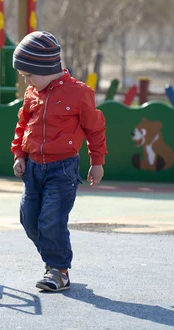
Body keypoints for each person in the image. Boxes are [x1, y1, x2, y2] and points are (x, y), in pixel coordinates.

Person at [11, 31, 107, 292]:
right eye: (24, 77)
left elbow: (95, 129)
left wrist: (96, 161)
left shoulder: (79, 93)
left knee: (51, 220)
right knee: (29, 218)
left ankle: (58, 270)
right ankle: (53, 261)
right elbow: (22, 125)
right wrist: (19, 154)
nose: (27, 81)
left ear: (46, 67)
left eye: (29, 75)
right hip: (32, 169)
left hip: (62, 169)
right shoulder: (33, 94)